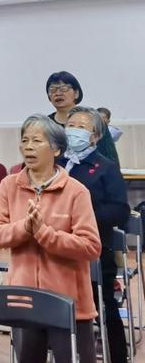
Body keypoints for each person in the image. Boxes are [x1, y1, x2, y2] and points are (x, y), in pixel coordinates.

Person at [0, 114, 101, 363]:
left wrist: (44, 233)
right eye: (24, 140)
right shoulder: (9, 185)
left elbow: (91, 246)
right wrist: (25, 228)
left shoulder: (76, 191)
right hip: (25, 301)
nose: (28, 146)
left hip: (70, 305)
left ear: (56, 148)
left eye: (36, 140)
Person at [59, 106, 129, 363]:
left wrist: (80, 218)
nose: (73, 130)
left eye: (80, 126)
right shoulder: (54, 163)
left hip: (94, 249)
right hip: (55, 250)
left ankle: (118, 357)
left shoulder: (104, 167)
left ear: (95, 136)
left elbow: (120, 210)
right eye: (70, 125)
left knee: (105, 308)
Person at [45, 71, 119, 165]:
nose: (58, 93)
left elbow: (110, 158)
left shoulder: (94, 120)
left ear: (76, 93)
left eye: (64, 88)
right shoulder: (45, 125)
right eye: (52, 89)